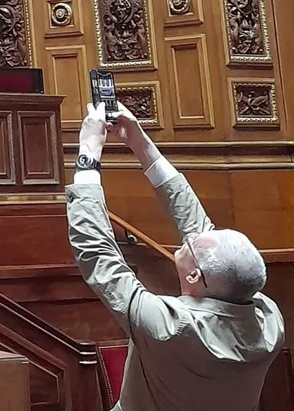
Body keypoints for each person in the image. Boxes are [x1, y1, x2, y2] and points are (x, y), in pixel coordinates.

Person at [69, 102, 284, 411]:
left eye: (195, 243)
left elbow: (99, 255)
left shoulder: (169, 326)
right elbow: (199, 229)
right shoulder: (269, 320)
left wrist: (88, 153)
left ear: (195, 276)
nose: (194, 234)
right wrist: (141, 144)